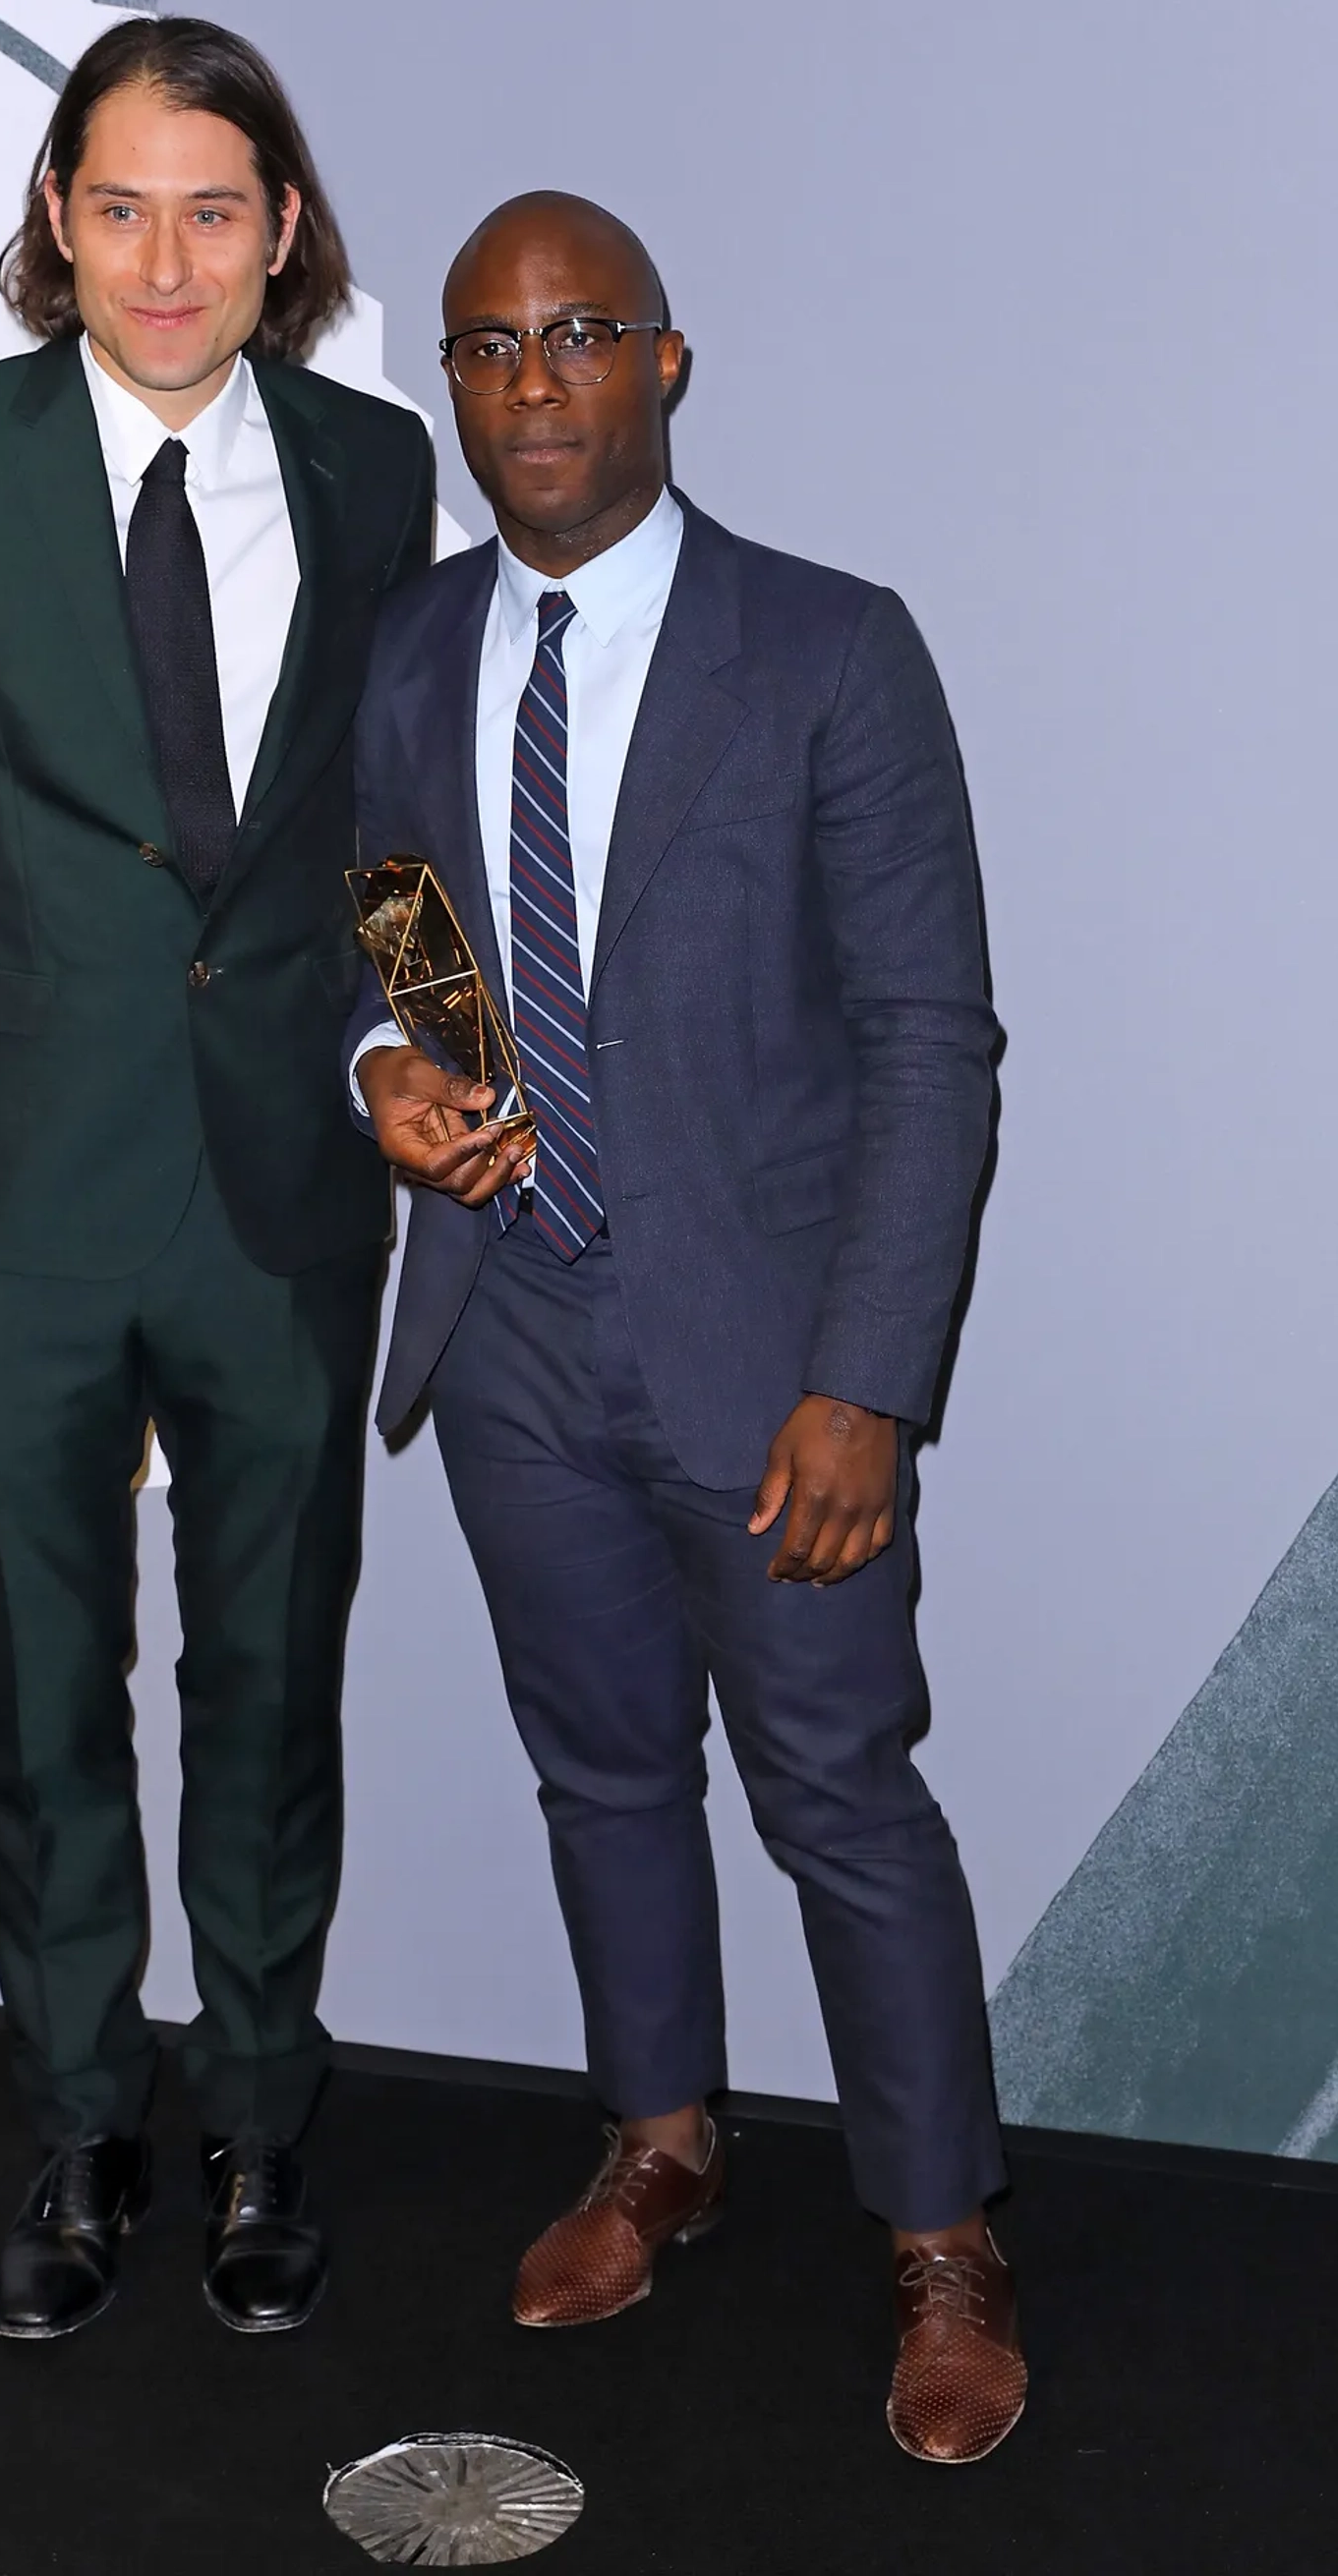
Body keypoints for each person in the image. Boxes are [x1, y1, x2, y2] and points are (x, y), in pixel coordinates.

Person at [350, 192, 1022, 2462]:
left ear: (664, 363)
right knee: (604, 1771)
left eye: (578, 334)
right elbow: (401, 942)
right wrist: (389, 1070)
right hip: (510, 1338)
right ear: (454, 385)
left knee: (840, 1792)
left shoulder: (829, 649)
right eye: (486, 345)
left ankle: (941, 2242)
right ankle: (662, 2144)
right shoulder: (412, 650)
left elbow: (931, 1041)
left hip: (772, 1365)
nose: (529, 382)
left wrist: (868, 1384)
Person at [0, 18, 433, 2343]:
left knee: (272, 1688)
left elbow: (389, 826)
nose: (168, 263)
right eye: (125, 208)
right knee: (49, 1686)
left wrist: (436, 1042)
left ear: (284, 232)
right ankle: (83, 2125)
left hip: (285, 1194)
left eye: (215, 211)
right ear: (59, 221)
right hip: (15, 1195)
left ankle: (258, 2117)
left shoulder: (374, 467)